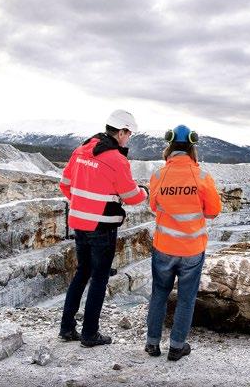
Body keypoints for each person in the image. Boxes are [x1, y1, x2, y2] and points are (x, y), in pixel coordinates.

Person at [58, 109, 148, 347]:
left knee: (82, 273)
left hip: (79, 224)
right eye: (129, 134)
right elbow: (131, 196)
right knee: (99, 278)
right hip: (102, 227)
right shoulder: (116, 159)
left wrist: (82, 203)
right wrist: (144, 192)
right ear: (121, 132)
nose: (129, 138)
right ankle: (89, 334)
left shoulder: (80, 151)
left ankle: (67, 328)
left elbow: (65, 185)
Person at [144, 124, 222, 361]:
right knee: (186, 299)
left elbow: (153, 207)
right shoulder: (202, 176)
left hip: (164, 248)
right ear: (192, 148)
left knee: (159, 294)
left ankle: (152, 344)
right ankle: (177, 346)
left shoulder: (158, 175)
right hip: (192, 249)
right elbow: (213, 211)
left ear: (169, 147)